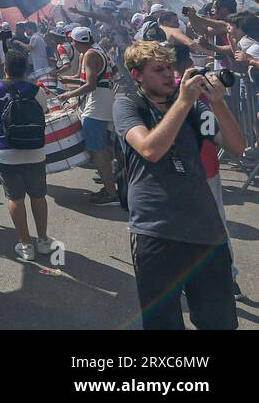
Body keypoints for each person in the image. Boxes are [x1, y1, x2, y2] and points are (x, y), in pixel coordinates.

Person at [115, 40, 242, 330]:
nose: (169, 75)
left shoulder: (194, 109)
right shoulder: (127, 105)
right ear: (137, 75)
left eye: (170, 68)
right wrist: (184, 101)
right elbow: (150, 149)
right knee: (164, 324)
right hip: (155, 231)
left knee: (219, 323)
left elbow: (236, 145)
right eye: (158, 69)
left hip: (205, 231)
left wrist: (218, 101)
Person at [0, 43, 56, 261]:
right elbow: (44, 113)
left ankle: (25, 245)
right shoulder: (37, 91)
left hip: (4, 152)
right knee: (39, 196)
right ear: (26, 69)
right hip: (34, 151)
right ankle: (42, 240)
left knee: (15, 198)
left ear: (5, 68)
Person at [52, 26, 119, 205]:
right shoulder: (99, 49)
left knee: (97, 150)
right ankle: (110, 187)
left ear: (76, 42)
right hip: (104, 100)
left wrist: (68, 95)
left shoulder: (89, 54)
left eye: (72, 41)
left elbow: (90, 85)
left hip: (97, 105)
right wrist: (71, 81)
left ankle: (111, 193)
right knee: (103, 148)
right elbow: (108, 75)